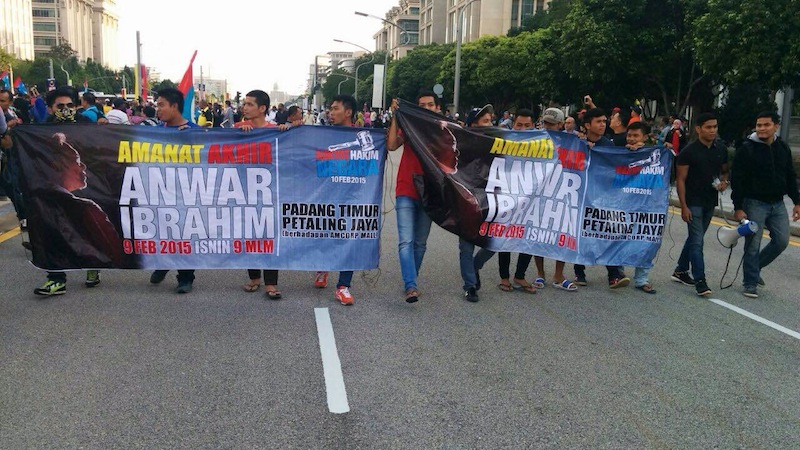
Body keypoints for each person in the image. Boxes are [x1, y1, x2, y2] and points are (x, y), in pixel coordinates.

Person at [31, 86, 105, 295]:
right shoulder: (41, 129)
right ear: (50, 108)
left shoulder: (86, 124)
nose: (66, 109)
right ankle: (56, 279)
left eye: (70, 105)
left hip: (84, 186)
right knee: (52, 230)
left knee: (86, 229)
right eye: (60, 106)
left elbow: (101, 149)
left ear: (78, 106)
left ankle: (92, 266)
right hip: (52, 188)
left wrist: (105, 130)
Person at [731, 111, 800, 298]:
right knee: (753, 243)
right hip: (754, 203)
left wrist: (797, 201)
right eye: (759, 125)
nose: (761, 128)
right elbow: (737, 180)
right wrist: (738, 207)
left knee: (782, 241)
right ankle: (750, 282)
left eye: (766, 125)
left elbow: (790, 175)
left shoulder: (782, 147)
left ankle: (756, 266)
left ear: (776, 126)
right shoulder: (747, 149)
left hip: (777, 203)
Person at [386, 92, 441, 303]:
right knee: (406, 241)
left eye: (430, 105)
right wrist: (396, 115)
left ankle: (412, 279)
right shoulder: (409, 125)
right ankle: (411, 285)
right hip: (406, 189)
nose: (426, 108)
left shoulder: (445, 130)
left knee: (420, 243)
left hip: (431, 192)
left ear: (437, 107)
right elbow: (392, 145)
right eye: (421, 105)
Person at [148, 88, 200, 293]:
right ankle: (163, 263)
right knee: (161, 229)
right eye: (157, 105)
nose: (157, 109)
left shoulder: (194, 131)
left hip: (187, 192)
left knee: (186, 233)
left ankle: (185, 277)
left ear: (175, 106)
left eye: (161, 105)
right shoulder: (153, 131)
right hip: (160, 190)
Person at [671, 112, 729, 297]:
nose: (712, 130)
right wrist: (684, 206)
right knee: (697, 241)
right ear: (698, 129)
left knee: (695, 238)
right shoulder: (688, 151)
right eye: (708, 127)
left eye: (715, 127)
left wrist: (724, 182)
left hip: (710, 201)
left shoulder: (720, 149)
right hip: (693, 202)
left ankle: (680, 270)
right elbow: (680, 179)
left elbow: (725, 171)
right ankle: (700, 281)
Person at [573, 107, 630, 288]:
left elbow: (617, 165)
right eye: (598, 122)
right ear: (587, 125)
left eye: (605, 121)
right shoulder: (576, 143)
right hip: (581, 196)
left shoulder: (608, 144)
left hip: (602, 197)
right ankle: (579, 272)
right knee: (581, 233)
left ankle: (614, 274)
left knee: (606, 232)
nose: (603, 125)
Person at [235, 89, 282, 300]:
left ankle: (271, 283)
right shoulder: (237, 129)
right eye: (244, 104)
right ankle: (254, 277)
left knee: (269, 236)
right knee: (249, 235)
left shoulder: (276, 130)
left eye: (250, 104)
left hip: (270, 192)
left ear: (262, 108)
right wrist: (239, 134)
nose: (245, 107)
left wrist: (287, 131)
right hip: (242, 191)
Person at [316, 94, 360, 305]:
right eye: (330, 109)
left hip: (353, 196)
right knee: (324, 233)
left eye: (335, 109)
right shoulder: (323, 134)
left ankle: (343, 286)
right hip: (326, 194)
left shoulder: (363, 136)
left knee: (349, 238)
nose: (330, 112)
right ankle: (321, 267)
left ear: (348, 112)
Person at [459, 104, 494, 302]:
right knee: (466, 245)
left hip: (493, 199)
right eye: (485, 121)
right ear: (473, 124)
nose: (489, 124)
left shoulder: (499, 141)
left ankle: (475, 266)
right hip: (467, 198)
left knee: (495, 241)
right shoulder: (462, 143)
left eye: (490, 120)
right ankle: (470, 285)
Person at [623, 121, 659, 294]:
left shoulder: (655, 154)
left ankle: (642, 279)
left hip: (647, 206)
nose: (631, 139)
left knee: (646, 239)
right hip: (624, 203)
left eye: (635, 135)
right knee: (620, 236)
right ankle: (618, 273)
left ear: (645, 137)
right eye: (629, 135)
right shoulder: (621, 152)